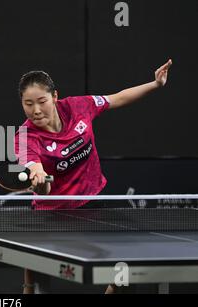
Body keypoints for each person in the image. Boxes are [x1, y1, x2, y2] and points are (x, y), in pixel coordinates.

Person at [14, 59, 173, 294]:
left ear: (55, 96)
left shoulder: (79, 107)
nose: (36, 110)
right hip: (52, 213)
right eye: (28, 104)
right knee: (33, 276)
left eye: (41, 102)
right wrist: (38, 180)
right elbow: (38, 174)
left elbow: (116, 98)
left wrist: (155, 84)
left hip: (93, 201)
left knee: (125, 266)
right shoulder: (25, 136)